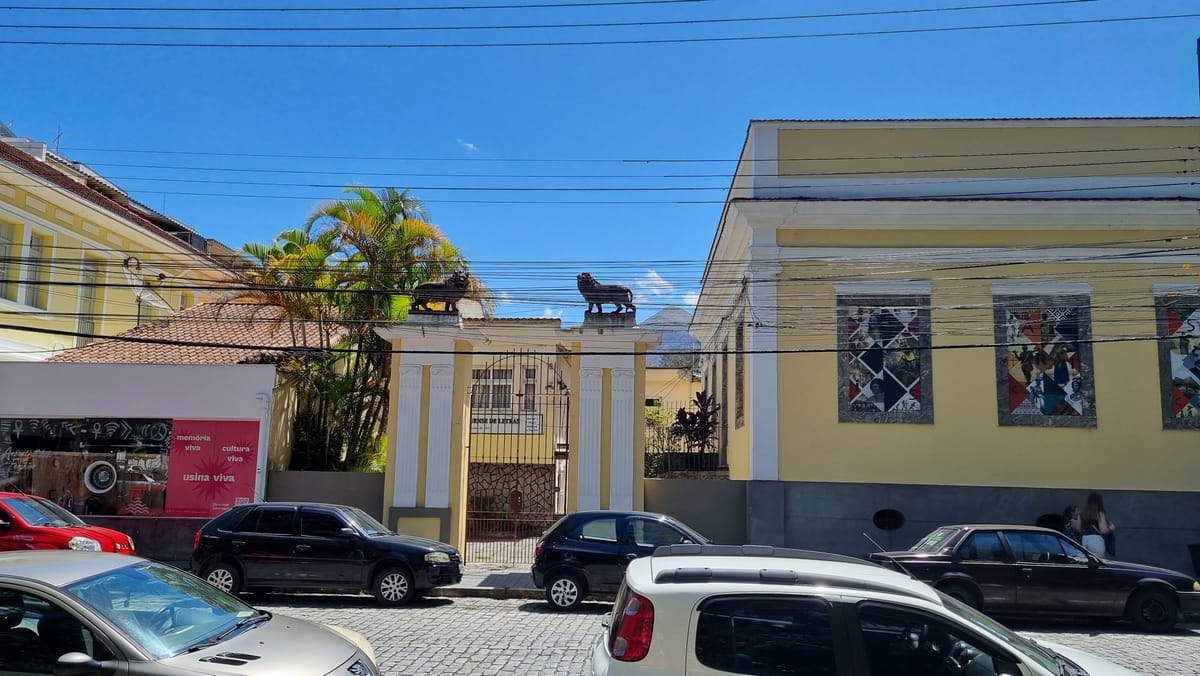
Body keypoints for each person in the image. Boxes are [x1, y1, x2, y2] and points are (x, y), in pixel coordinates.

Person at [1079, 492, 1113, 557]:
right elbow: (1104, 530)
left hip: (1084, 539)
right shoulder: (1099, 513)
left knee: (1087, 560)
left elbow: (1078, 528)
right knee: (1099, 561)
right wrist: (1111, 528)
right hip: (1096, 540)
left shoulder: (1082, 513)